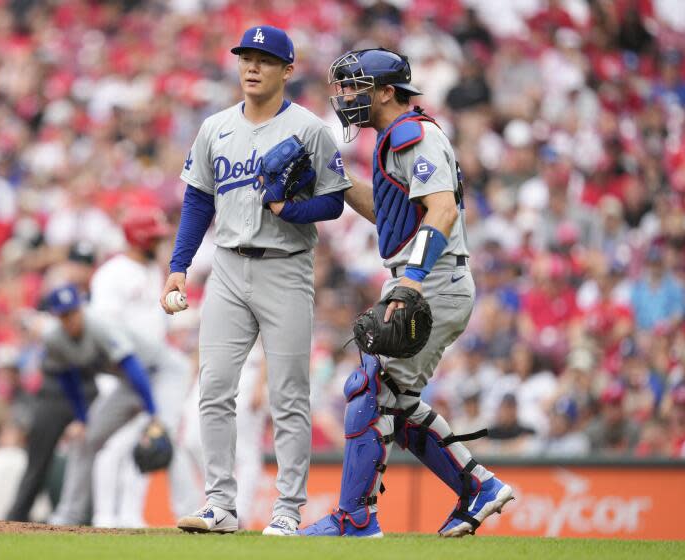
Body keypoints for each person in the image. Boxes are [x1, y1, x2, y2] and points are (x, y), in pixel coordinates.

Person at [301, 48, 513, 538]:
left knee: (370, 394)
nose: (346, 97)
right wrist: (334, 177)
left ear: (387, 92)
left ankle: (355, 517)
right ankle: (478, 485)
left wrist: (411, 281)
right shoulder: (393, 140)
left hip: (432, 279)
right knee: (393, 397)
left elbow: (441, 211)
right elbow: (389, 214)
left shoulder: (413, 135)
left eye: (356, 87)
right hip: (423, 276)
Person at [160, 25, 351, 536]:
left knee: (288, 395)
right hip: (226, 265)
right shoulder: (215, 127)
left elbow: (334, 199)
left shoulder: (310, 129)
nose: (252, 66)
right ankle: (219, 504)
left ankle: (288, 509)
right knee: (215, 386)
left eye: (264, 59)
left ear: (287, 70)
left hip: (285, 266)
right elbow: (198, 200)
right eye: (246, 57)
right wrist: (179, 266)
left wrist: (291, 208)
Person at [83, 207, 201, 528]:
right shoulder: (113, 272)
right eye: (154, 237)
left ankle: (131, 514)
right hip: (123, 370)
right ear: (139, 238)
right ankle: (106, 515)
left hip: (155, 369)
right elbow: (103, 326)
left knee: (153, 440)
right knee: (114, 444)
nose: (160, 242)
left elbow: (155, 326)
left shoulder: (152, 271)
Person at [8, 284, 161, 523]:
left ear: (81, 308)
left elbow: (133, 365)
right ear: (56, 317)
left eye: (73, 312)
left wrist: (153, 412)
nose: (70, 319)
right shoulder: (55, 338)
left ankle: (192, 510)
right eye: (64, 315)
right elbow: (69, 379)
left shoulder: (98, 325)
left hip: (158, 374)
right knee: (84, 440)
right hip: (126, 384)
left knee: (170, 441)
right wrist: (81, 418)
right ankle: (71, 514)